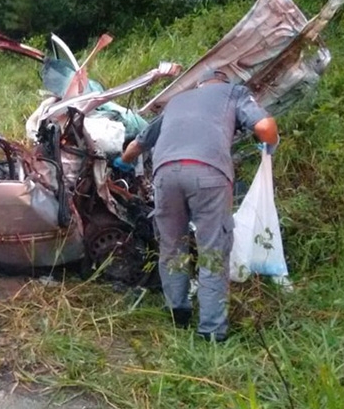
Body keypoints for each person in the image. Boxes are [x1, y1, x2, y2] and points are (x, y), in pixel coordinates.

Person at [114, 69, 279, 342]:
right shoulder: (234, 93)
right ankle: (212, 332)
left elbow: (137, 144)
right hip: (209, 175)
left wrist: (122, 162)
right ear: (223, 83)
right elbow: (264, 127)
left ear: (201, 84)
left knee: (172, 246)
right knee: (213, 251)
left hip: (165, 177)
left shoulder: (178, 101)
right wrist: (270, 146)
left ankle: (178, 313)